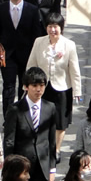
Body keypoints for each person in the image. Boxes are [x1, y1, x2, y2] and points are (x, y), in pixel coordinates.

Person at [27, 12, 82, 162]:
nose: (52, 30)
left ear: (61, 28)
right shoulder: (39, 42)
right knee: (40, 118)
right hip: (42, 87)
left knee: (60, 122)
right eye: (50, 26)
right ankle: (41, 147)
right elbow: (32, 63)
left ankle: (56, 150)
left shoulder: (69, 45)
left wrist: (77, 90)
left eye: (55, 27)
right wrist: (27, 85)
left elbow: (74, 69)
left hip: (62, 88)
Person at [0, 0, 45, 116]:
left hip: (26, 55)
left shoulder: (32, 9)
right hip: (8, 55)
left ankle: (23, 115)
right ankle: (8, 116)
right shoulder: (1, 8)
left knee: (25, 86)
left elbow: (36, 34)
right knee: (8, 87)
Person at [4, 67, 58, 181]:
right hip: (21, 169)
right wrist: (9, 169)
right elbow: (9, 141)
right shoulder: (15, 109)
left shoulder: (50, 107)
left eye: (42, 85)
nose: (39, 89)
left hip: (42, 167)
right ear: (26, 87)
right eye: (34, 85)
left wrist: (52, 169)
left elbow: (51, 141)